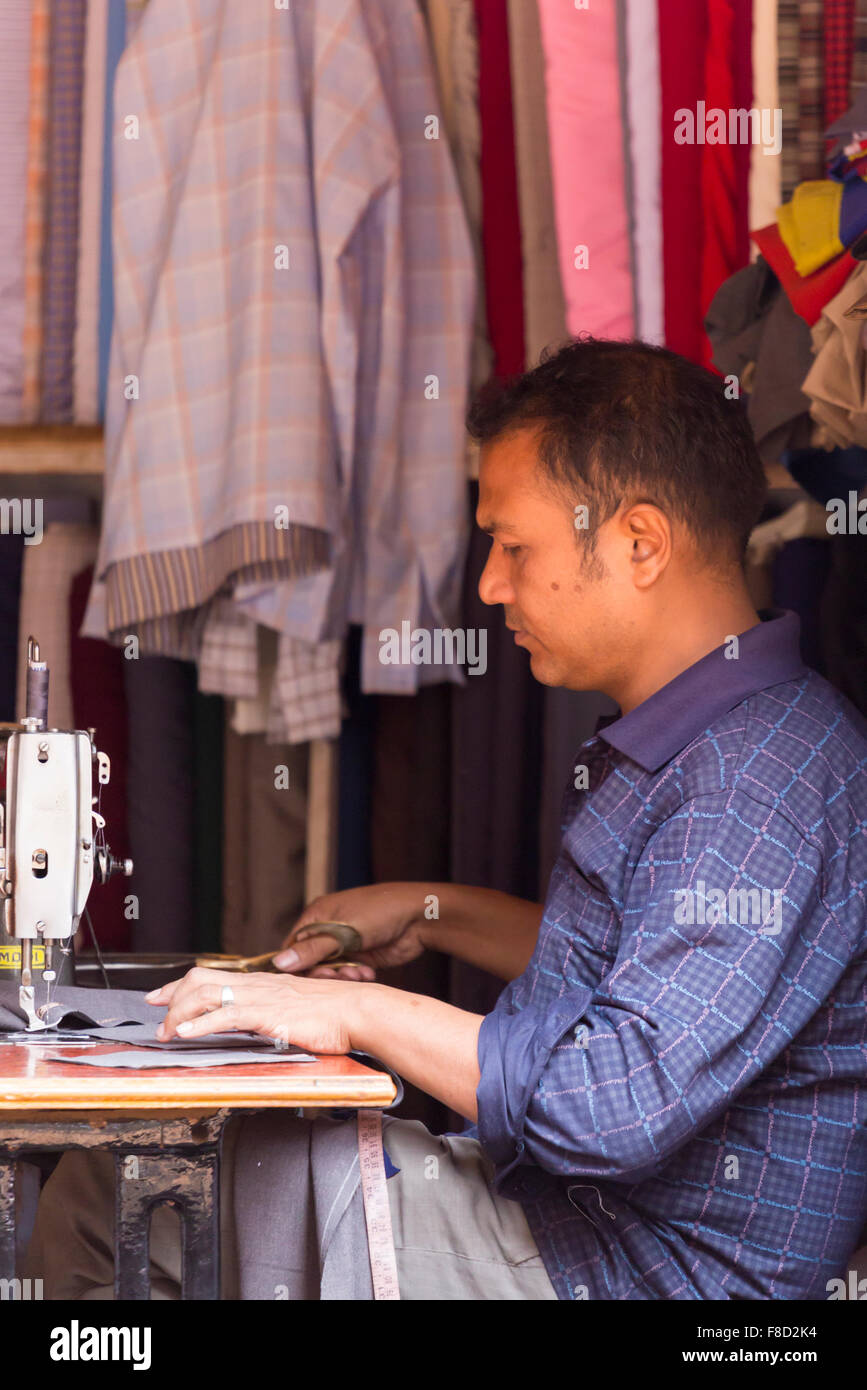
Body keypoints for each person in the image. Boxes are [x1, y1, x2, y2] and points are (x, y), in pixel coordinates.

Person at [28, 339, 867, 1299]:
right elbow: (651, 972)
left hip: (626, 1273)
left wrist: (351, 1008)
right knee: (128, 1173)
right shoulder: (720, 738)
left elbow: (614, 1102)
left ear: (639, 542)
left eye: (515, 546)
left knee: (116, 1194)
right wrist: (429, 910)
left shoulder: (750, 783)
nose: (490, 585)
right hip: (577, 1227)